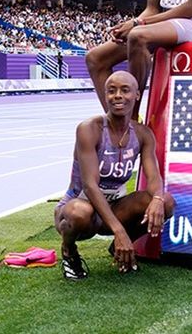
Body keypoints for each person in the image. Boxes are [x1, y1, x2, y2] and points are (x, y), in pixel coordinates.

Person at [54, 71, 175, 280]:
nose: (117, 95)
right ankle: (68, 251)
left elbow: (154, 176)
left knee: (166, 202)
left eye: (125, 90)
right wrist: (120, 231)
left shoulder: (142, 133)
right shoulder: (89, 129)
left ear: (137, 95)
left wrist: (157, 198)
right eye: (112, 91)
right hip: (79, 209)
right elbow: (90, 185)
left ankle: (117, 249)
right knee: (78, 212)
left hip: (113, 207)